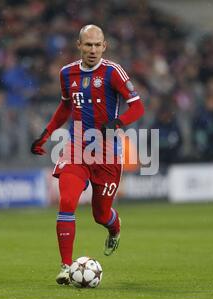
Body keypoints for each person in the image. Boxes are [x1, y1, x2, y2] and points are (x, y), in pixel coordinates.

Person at [30, 25, 145, 285]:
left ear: (104, 47)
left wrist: (117, 122)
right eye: (88, 45)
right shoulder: (66, 73)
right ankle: (65, 267)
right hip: (76, 149)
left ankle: (114, 227)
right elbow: (65, 106)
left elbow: (137, 107)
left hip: (107, 154)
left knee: (100, 215)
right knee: (67, 201)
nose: (92, 50)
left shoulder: (113, 72)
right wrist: (46, 134)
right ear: (79, 45)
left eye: (97, 45)